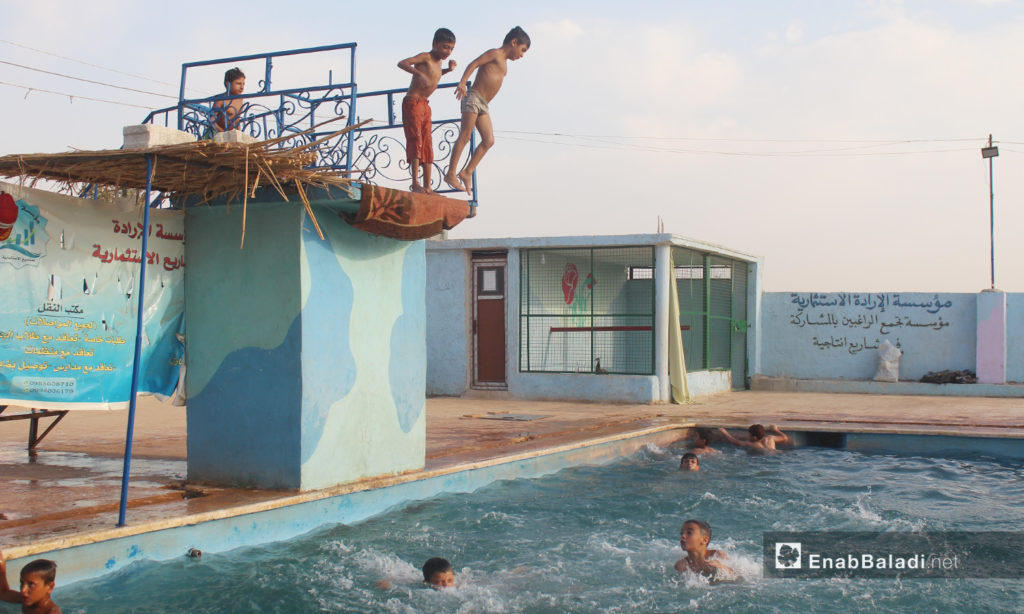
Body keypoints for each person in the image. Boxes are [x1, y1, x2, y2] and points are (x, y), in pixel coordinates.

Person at [443, 26, 530, 195]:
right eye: (522, 50)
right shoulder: (495, 54)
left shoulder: (504, 64)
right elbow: (474, 64)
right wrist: (462, 82)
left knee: (489, 140)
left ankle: (467, 172)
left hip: (483, 105)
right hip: (474, 98)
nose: (522, 55)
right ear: (514, 42)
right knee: (465, 135)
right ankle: (451, 173)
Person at [398, 28, 457, 194]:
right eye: (445, 47)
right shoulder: (425, 57)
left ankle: (428, 186)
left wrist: (448, 70)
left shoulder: (439, 63)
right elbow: (402, 63)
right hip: (413, 102)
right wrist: (418, 74)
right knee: (415, 139)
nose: (448, 52)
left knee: (427, 142)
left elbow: (434, 76)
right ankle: (415, 183)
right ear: (435, 44)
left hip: (425, 104)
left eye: (451, 48)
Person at [211, 67, 246, 133]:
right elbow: (211, 119)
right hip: (217, 134)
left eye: (243, 84)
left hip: (231, 135)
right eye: (238, 83)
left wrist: (239, 135)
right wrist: (222, 132)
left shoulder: (240, 100)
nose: (242, 87)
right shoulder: (221, 99)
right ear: (228, 84)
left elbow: (237, 120)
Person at [718, 424, 789, 451]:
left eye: (749, 435)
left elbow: (735, 442)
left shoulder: (752, 444)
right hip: (776, 454)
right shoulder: (770, 438)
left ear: (754, 437)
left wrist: (725, 433)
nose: (748, 436)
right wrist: (776, 430)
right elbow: (785, 438)